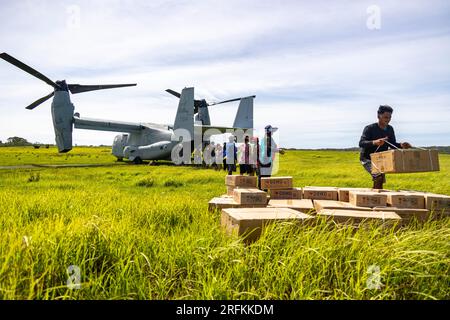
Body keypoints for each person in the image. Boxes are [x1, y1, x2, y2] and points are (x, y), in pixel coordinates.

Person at [359, 105, 411, 189]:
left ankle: (378, 198)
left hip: (381, 158)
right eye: (385, 117)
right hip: (367, 158)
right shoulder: (369, 128)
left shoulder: (390, 129)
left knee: (380, 179)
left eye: (390, 117)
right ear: (378, 116)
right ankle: (376, 198)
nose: (388, 119)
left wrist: (402, 145)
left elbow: (392, 145)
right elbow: (361, 143)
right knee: (378, 176)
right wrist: (375, 142)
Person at [256, 125, 284, 189]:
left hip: (264, 160)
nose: (273, 133)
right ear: (269, 132)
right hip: (266, 160)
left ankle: (261, 192)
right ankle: (263, 193)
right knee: (266, 178)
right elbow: (267, 148)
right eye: (272, 131)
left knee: (262, 177)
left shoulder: (265, 138)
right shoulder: (268, 138)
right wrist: (278, 150)